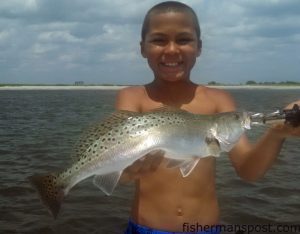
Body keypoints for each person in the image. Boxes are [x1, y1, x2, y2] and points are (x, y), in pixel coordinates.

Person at [114, 1, 300, 233]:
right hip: (144, 228)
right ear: (143, 48)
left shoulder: (219, 100)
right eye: (159, 40)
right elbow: (118, 169)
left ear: (199, 47)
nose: (171, 49)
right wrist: (123, 173)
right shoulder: (131, 97)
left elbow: (248, 171)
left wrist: (277, 132)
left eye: (183, 39)